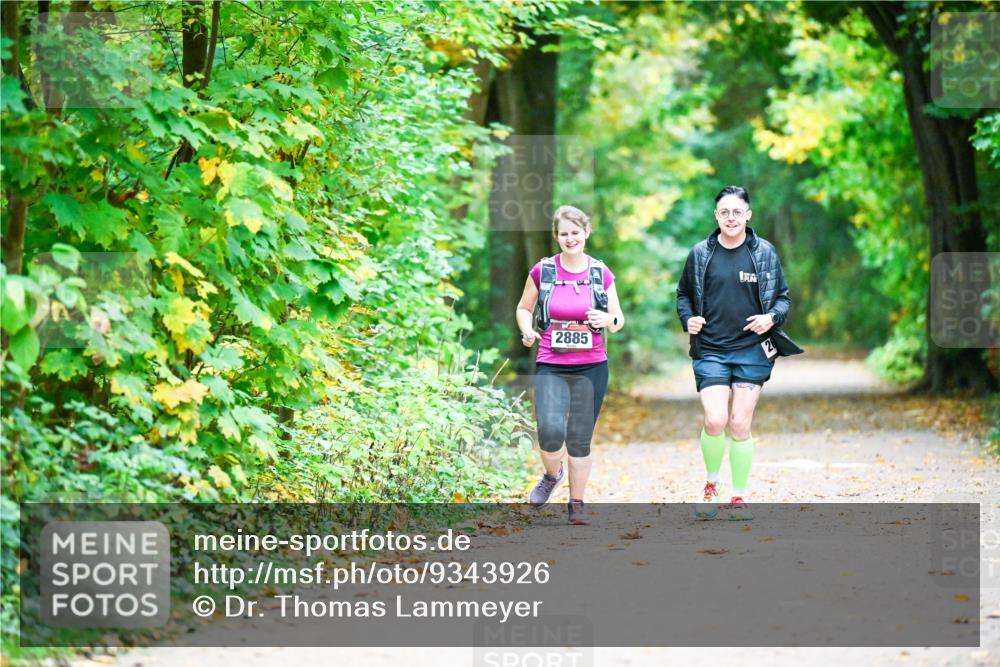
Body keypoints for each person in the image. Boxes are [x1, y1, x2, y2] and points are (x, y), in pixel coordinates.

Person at [676, 186, 802, 521]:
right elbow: (683, 295)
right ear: (716, 216)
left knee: (739, 423)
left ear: (748, 215)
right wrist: (688, 319)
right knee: (716, 420)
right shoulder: (701, 253)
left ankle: (739, 496)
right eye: (724, 212)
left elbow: (784, 298)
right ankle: (712, 484)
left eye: (737, 212)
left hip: (752, 350)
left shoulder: (764, 253)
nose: (730, 218)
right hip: (711, 349)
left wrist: (770, 318)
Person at [515, 205, 624, 525]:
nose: (570, 238)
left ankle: (577, 503)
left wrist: (607, 318)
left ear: (586, 233)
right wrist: (526, 329)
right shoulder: (543, 271)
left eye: (576, 232)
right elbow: (524, 308)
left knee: (578, 438)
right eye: (564, 234)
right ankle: (552, 475)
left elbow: (618, 320)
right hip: (551, 362)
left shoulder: (600, 273)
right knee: (549, 432)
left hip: (592, 366)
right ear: (557, 237)